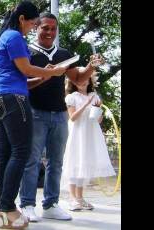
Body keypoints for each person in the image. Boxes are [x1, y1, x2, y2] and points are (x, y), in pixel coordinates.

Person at [0, 1, 68, 229]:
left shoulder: (4, 37)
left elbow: (23, 78)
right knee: (21, 152)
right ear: (22, 19)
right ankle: (7, 208)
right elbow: (26, 69)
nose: (33, 28)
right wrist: (56, 70)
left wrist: (45, 76)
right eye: (33, 24)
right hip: (13, 99)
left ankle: (5, 209)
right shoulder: (14, 37)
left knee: (4, 154)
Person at [19, 12, 105, 222]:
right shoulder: (27, 51)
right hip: (35, 112)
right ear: (36, 27)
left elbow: (77, 78)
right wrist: (47, 74)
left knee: (56, 162)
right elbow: (22, 83)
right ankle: (27, 205)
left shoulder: (64, 53)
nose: (49, 32)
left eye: (53, 28)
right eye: (44, 27)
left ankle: (50, 204)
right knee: (31, 161)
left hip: (59, 114)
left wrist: (91, 67)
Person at [61, 73, 116, 211]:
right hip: (77, 132)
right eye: (78, 80)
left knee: (84, 162)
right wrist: (85, 104)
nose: (82, 82)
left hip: (90, 132)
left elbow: (98, 120)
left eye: (85, 79)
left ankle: (80, 197)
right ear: (73, 82)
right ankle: (73, 198)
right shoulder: (71, 97)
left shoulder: (95, 96)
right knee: (75, 161)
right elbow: (73, 117)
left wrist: (97, 111)